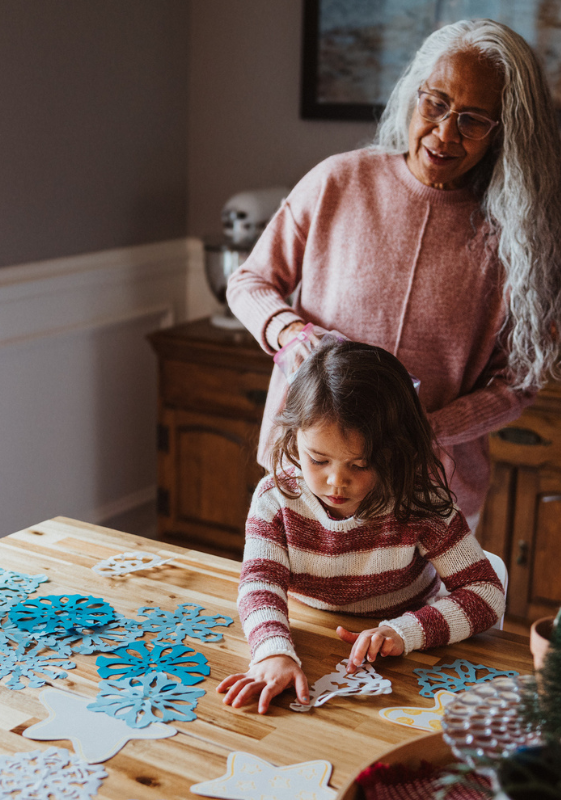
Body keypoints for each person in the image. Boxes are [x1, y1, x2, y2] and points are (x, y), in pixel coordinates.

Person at [227, 19, 561, 525]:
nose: (446, 132)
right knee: (288, 602)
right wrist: (291, 335)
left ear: (504, 131)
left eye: (473, 119)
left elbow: (518, 381)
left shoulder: (517, 236)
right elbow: (250, 282)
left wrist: (428, 428)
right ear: (414, 94)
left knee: (424, 608)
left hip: (429, 490)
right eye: (437, 103)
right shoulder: (339, 180)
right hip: (309, 475)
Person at [217, 340, 505, 714]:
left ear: (398, 450)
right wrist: (272, 652)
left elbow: (484, 592)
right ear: (293, 437)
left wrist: (403, 632)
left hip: (402, 661)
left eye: (361, 464)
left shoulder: (420, 503)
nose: (337, 482)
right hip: (311, 632)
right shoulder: (275, 497)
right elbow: (259, 583)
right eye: (318, 459)